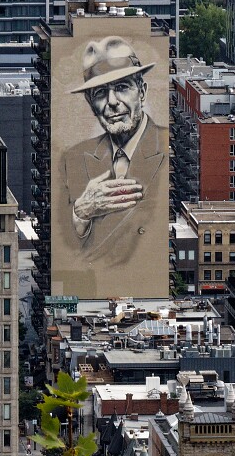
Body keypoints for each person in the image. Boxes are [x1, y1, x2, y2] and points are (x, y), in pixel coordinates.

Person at [56, 36, 167, 287]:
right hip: (94, 288)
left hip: (143, 288)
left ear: (143, 92)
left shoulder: (166, 147)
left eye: (123, 87)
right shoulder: (72, 158)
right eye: (100, 93)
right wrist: (81, 213)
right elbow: (64, 246)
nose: (112, 102)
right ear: (90, 104)